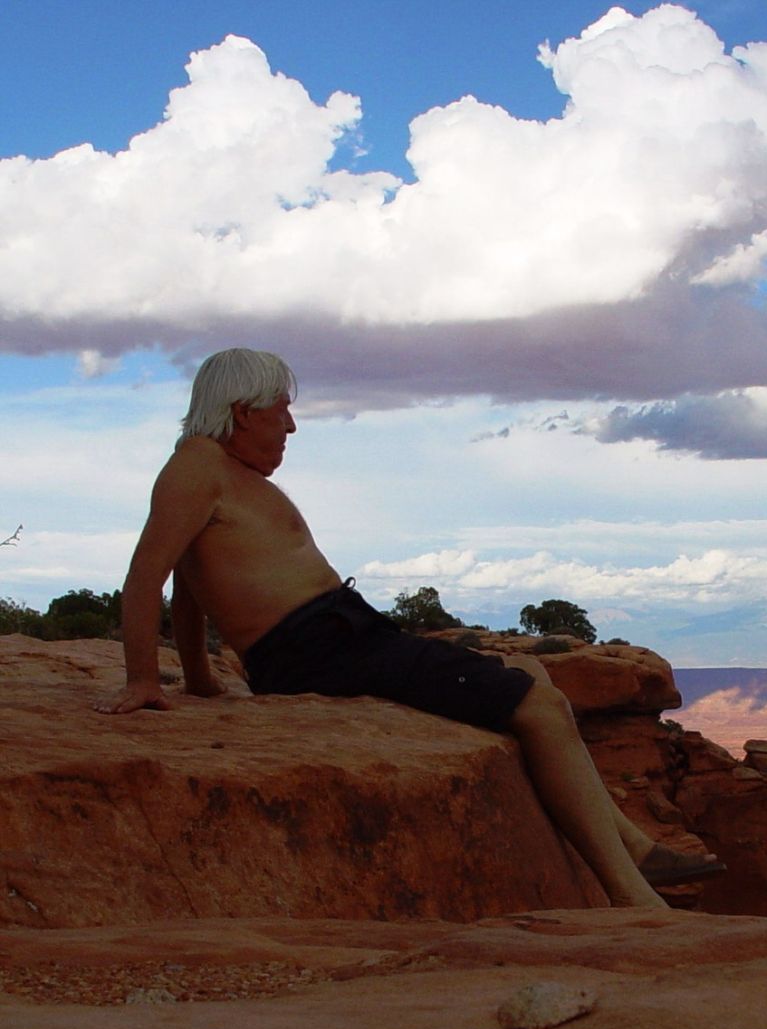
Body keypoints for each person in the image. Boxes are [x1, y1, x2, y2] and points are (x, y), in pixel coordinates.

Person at [99, 347, 721, 908]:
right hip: (318, 649)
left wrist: (201, 680)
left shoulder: (220, 473)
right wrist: (144, 680)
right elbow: (146, 578)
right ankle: (635, 900)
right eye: (281, 410)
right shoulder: (196, 467)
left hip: (341, 636)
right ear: (242, 412)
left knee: (530, 670)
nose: (290, 426)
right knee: (540, 707)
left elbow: (189, 585)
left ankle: (634, 846)